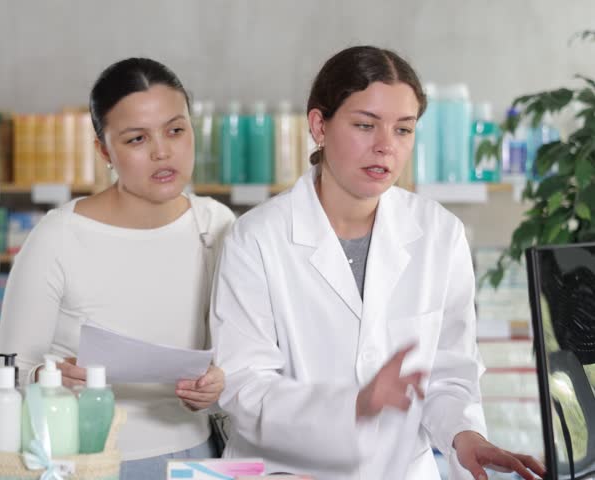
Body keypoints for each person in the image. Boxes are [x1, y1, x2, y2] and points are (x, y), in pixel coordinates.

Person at [209, 46, 546, 480]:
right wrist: (354, 405)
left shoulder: (440, 234)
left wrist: (465, 435)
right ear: (319, 126)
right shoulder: (255, 239)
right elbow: (244, 386)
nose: (386, 147)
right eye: (365, 125)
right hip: (288, 472)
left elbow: (448, 372)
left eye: (403, 130)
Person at [0, 57, 235, 479]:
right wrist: (48, 376)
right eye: (137, 139)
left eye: (175, 130)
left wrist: (220, 382)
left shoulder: (215, 226)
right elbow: (9, 367)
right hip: (84, 462)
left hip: (194, 458)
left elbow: (242, 352)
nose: (162, 151)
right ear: (104, 150)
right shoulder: (58, 236)